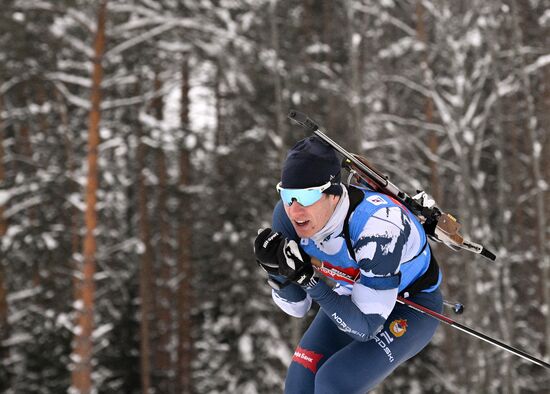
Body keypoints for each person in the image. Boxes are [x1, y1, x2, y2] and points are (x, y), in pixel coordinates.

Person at [253, 136, 443, 393]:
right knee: (299, 384)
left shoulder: (378, 229)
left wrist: (309, 281)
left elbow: (365, 328)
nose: (295, 211)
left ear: (333, 194)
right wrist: (277, 273)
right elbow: (297, 307)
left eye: (307, 197)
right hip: (354, 293)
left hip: (411, 305)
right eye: (288, 196)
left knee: (333, 383)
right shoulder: (287, 217)